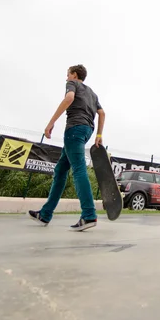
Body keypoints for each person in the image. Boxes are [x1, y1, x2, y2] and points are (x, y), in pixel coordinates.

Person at [29, 64, 105, 231]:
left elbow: (69, 98)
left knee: (78, 169)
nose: (66, 78)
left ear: (74, 75)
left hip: (74, 130)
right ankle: (45, 214)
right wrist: (99, 135)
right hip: (87, 131)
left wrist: (51, 122)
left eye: (68, 74)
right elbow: (101, 113)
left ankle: (88, 214)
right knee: (61, 171)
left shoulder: (72, 84)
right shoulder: (92, 93)